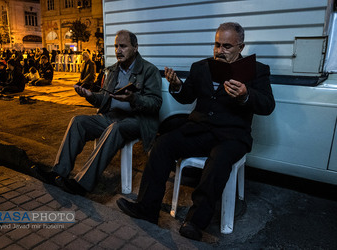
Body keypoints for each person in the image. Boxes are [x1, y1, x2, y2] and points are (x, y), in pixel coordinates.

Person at [116, 22, 276, 241]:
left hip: (232, 135)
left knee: (218, 161)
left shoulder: (256, 70)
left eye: (227, 46)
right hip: (200, 129)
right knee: (163, 144)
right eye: (217, 44)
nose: (220, 50)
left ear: (241, 47)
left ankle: (195, 222)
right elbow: (186, 96)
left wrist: (246, 94)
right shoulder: (201, 67)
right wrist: (177, 85)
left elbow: (268, 105)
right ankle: (147, 208)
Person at [31, 30, 162, 195]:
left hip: (136, 120)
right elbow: (105, 100)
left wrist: (133, 99)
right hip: (111, 116)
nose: (118, 50)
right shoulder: (112, 70)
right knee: (78, 121)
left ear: (135, 48)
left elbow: (156, 103)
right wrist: (91, 96)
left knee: (115, 128)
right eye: (116, 46)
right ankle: (58, 172)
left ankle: (82, 184)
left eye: (123, 46)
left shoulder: (149, 71)